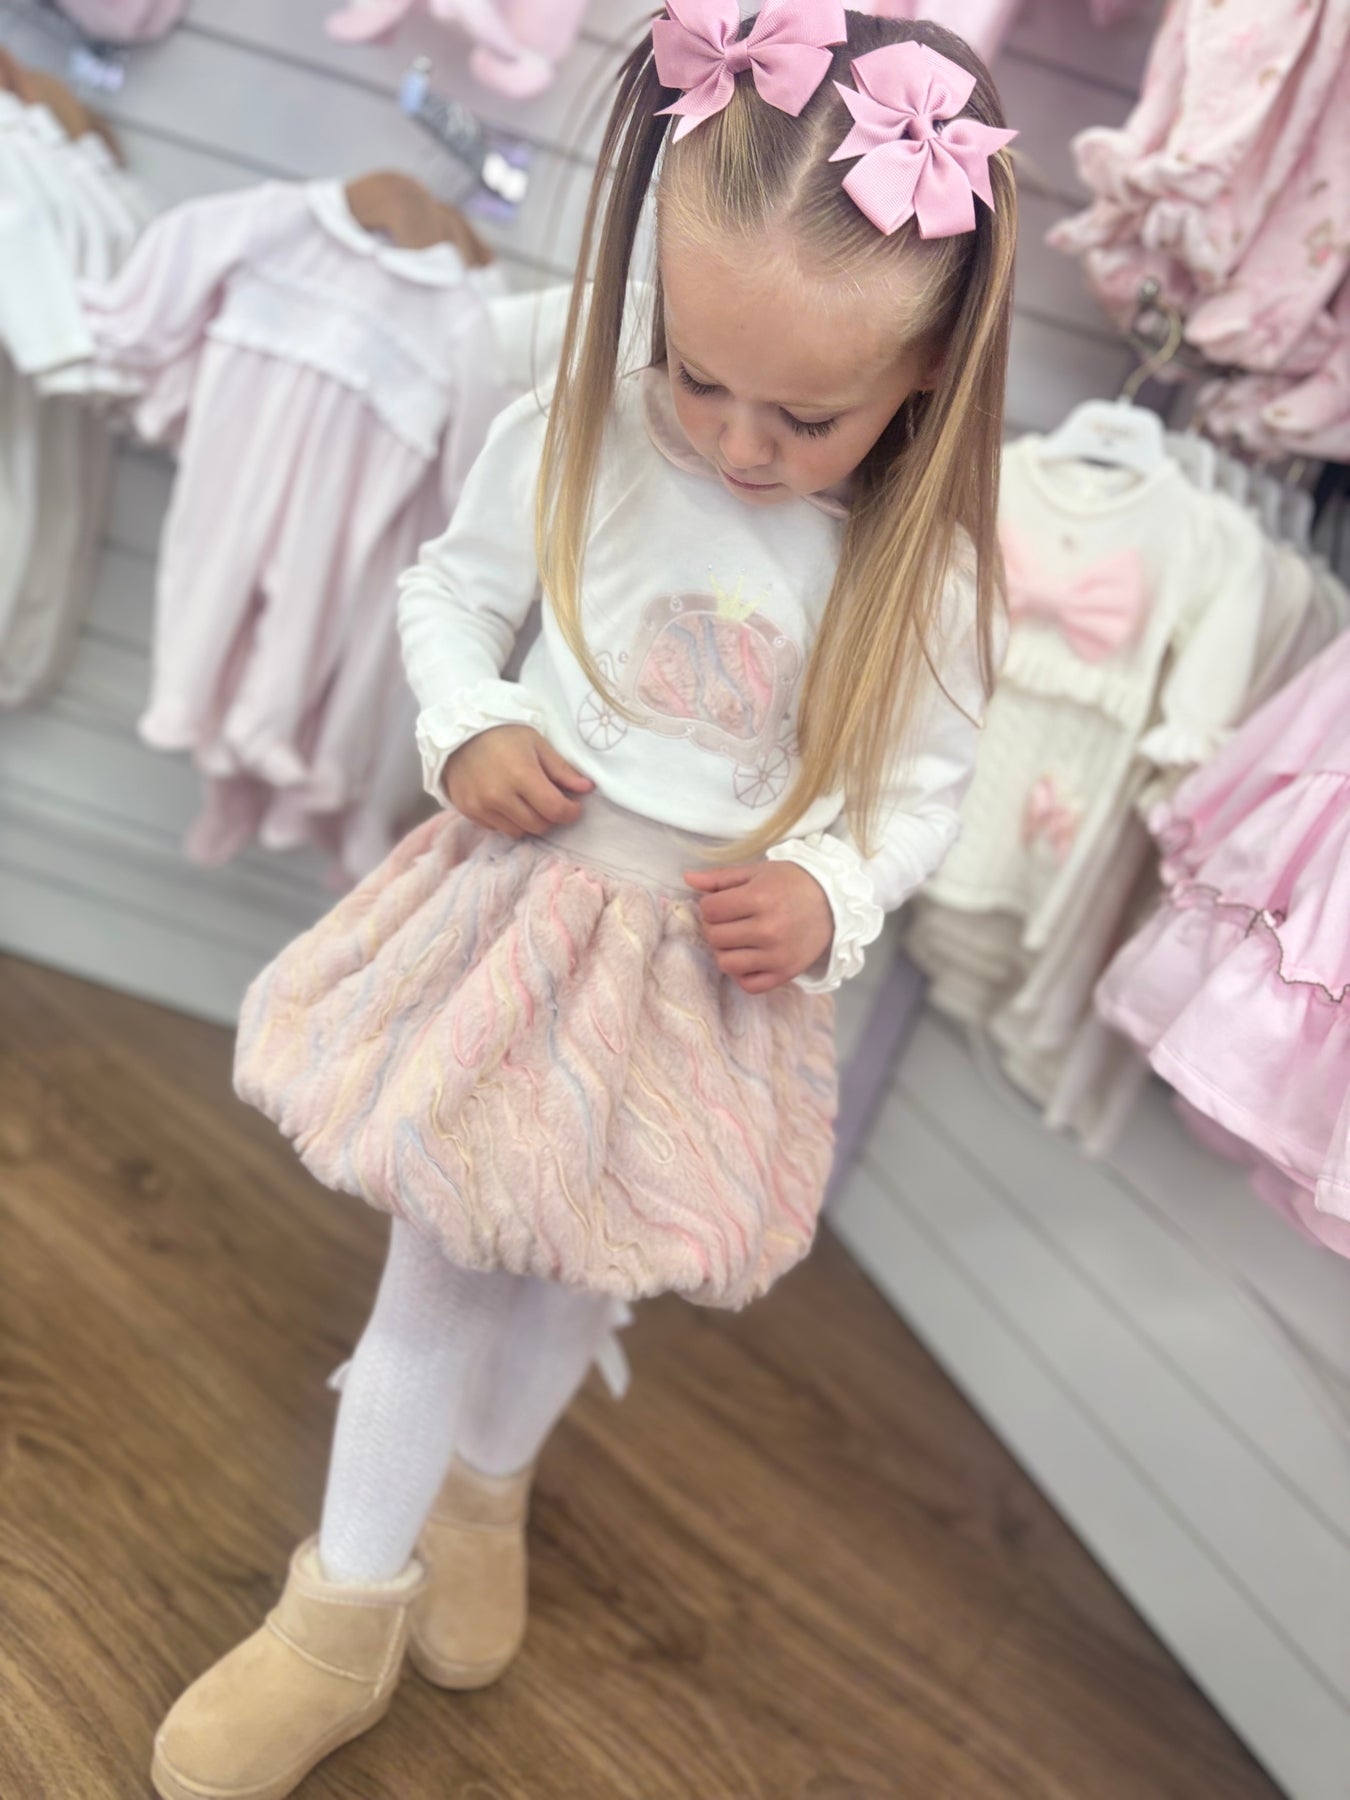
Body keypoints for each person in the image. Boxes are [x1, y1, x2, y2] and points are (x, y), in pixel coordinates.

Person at [149, 6, 1016, 1797]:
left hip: (700, 983)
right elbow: (450, 594)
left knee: (574, 1282)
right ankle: (339, 1613)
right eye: (700, 376)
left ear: (928, 367)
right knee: (442, 1271)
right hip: (521, 925)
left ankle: (486, 1495)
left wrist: (827, 889)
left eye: (805, 415)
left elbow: (917, 790)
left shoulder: (921, 578)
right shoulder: (591, 429)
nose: (737, 445)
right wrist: (468, 722)